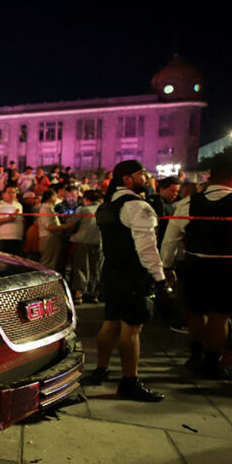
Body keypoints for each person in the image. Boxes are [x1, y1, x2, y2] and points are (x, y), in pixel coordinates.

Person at [161, 153, 232, 379]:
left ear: (209, 178)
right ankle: (212, 362)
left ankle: (195, 357)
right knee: (220, 316)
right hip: (230, 268)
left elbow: (170, 240)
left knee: (195, 313)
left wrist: (166, 267)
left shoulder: (187, 203)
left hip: (195, 266)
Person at [87, 160, 167, 401]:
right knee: (131, 327)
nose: (148, 177)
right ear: (127, 179)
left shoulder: (107, 205)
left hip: (112, 270)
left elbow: (106, 244)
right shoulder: (136, 206)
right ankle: (129, 381)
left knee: (110, 320)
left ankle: (101, 369)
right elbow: (147, 248)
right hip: (133, 273)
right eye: (142, 173)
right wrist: (160, 278)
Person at [67, 190, 103, 303]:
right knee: (96, 268)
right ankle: (94, 294)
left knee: (80, 267)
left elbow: (71, 223)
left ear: (87, 199)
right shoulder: (103, 210)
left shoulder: (84, 209)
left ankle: (78, 295)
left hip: (82, 241)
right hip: (99, 242)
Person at [0, 187, 25, 255]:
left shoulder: (19, 205)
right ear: (3, 194)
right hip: (2, 239)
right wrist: (8, 219)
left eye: (13, 192)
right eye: (9, 192)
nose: (12, 195)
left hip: (17, 238)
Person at [37, 190, 69, 271]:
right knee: (48, 263)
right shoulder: (45, 208)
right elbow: (49, 226)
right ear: (51, 197)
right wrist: (65, 227)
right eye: (55, 196)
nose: (56, 198)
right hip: (49, 238)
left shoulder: (50, 208)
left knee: (52, 262)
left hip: (53, 237)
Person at [147, 176, 181, 248]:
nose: (175, 194)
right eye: (172, 191)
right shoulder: (157, 204)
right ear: (162, 189)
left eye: (177, 191)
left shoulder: (168, 204)